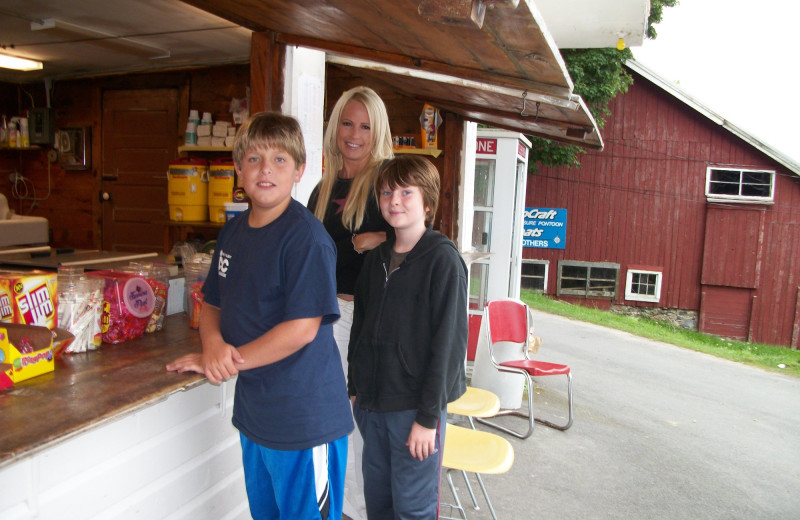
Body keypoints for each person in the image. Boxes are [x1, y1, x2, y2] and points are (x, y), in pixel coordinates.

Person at [166, 111, 353, 520]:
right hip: (256, 415)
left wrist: (228, 360)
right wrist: (212, 344)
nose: (265, 170)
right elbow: (212, 300)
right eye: (254, 159)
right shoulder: (232, 233)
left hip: (304, 422)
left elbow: (302, 328)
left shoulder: (305, 238)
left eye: (280, 160)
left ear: (300, 170)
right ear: (238, 168)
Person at [348, 155, 468, 519]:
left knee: (412, 509)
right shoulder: (376, 259)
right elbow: (361, 324)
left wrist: (428, 419)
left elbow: (448, 346)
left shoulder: (443, 260)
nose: (394, 200)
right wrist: (355, 386)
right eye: (386, 192)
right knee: (380, 504)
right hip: (372, 406)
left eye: (405, 192)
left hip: (415, 411)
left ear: (427, 202)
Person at [307, 86, 394, 520]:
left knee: (359, 423)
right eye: (347, 123)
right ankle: (340, 509)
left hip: (367, 321)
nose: (354, 134)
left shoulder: (385, 182)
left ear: (377, 132)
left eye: (365, 126)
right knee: (333, 419)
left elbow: (425, 238)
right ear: (335, 127)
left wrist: (385, 238)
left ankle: (356, 512)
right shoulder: (323, 188)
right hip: (325, 319)